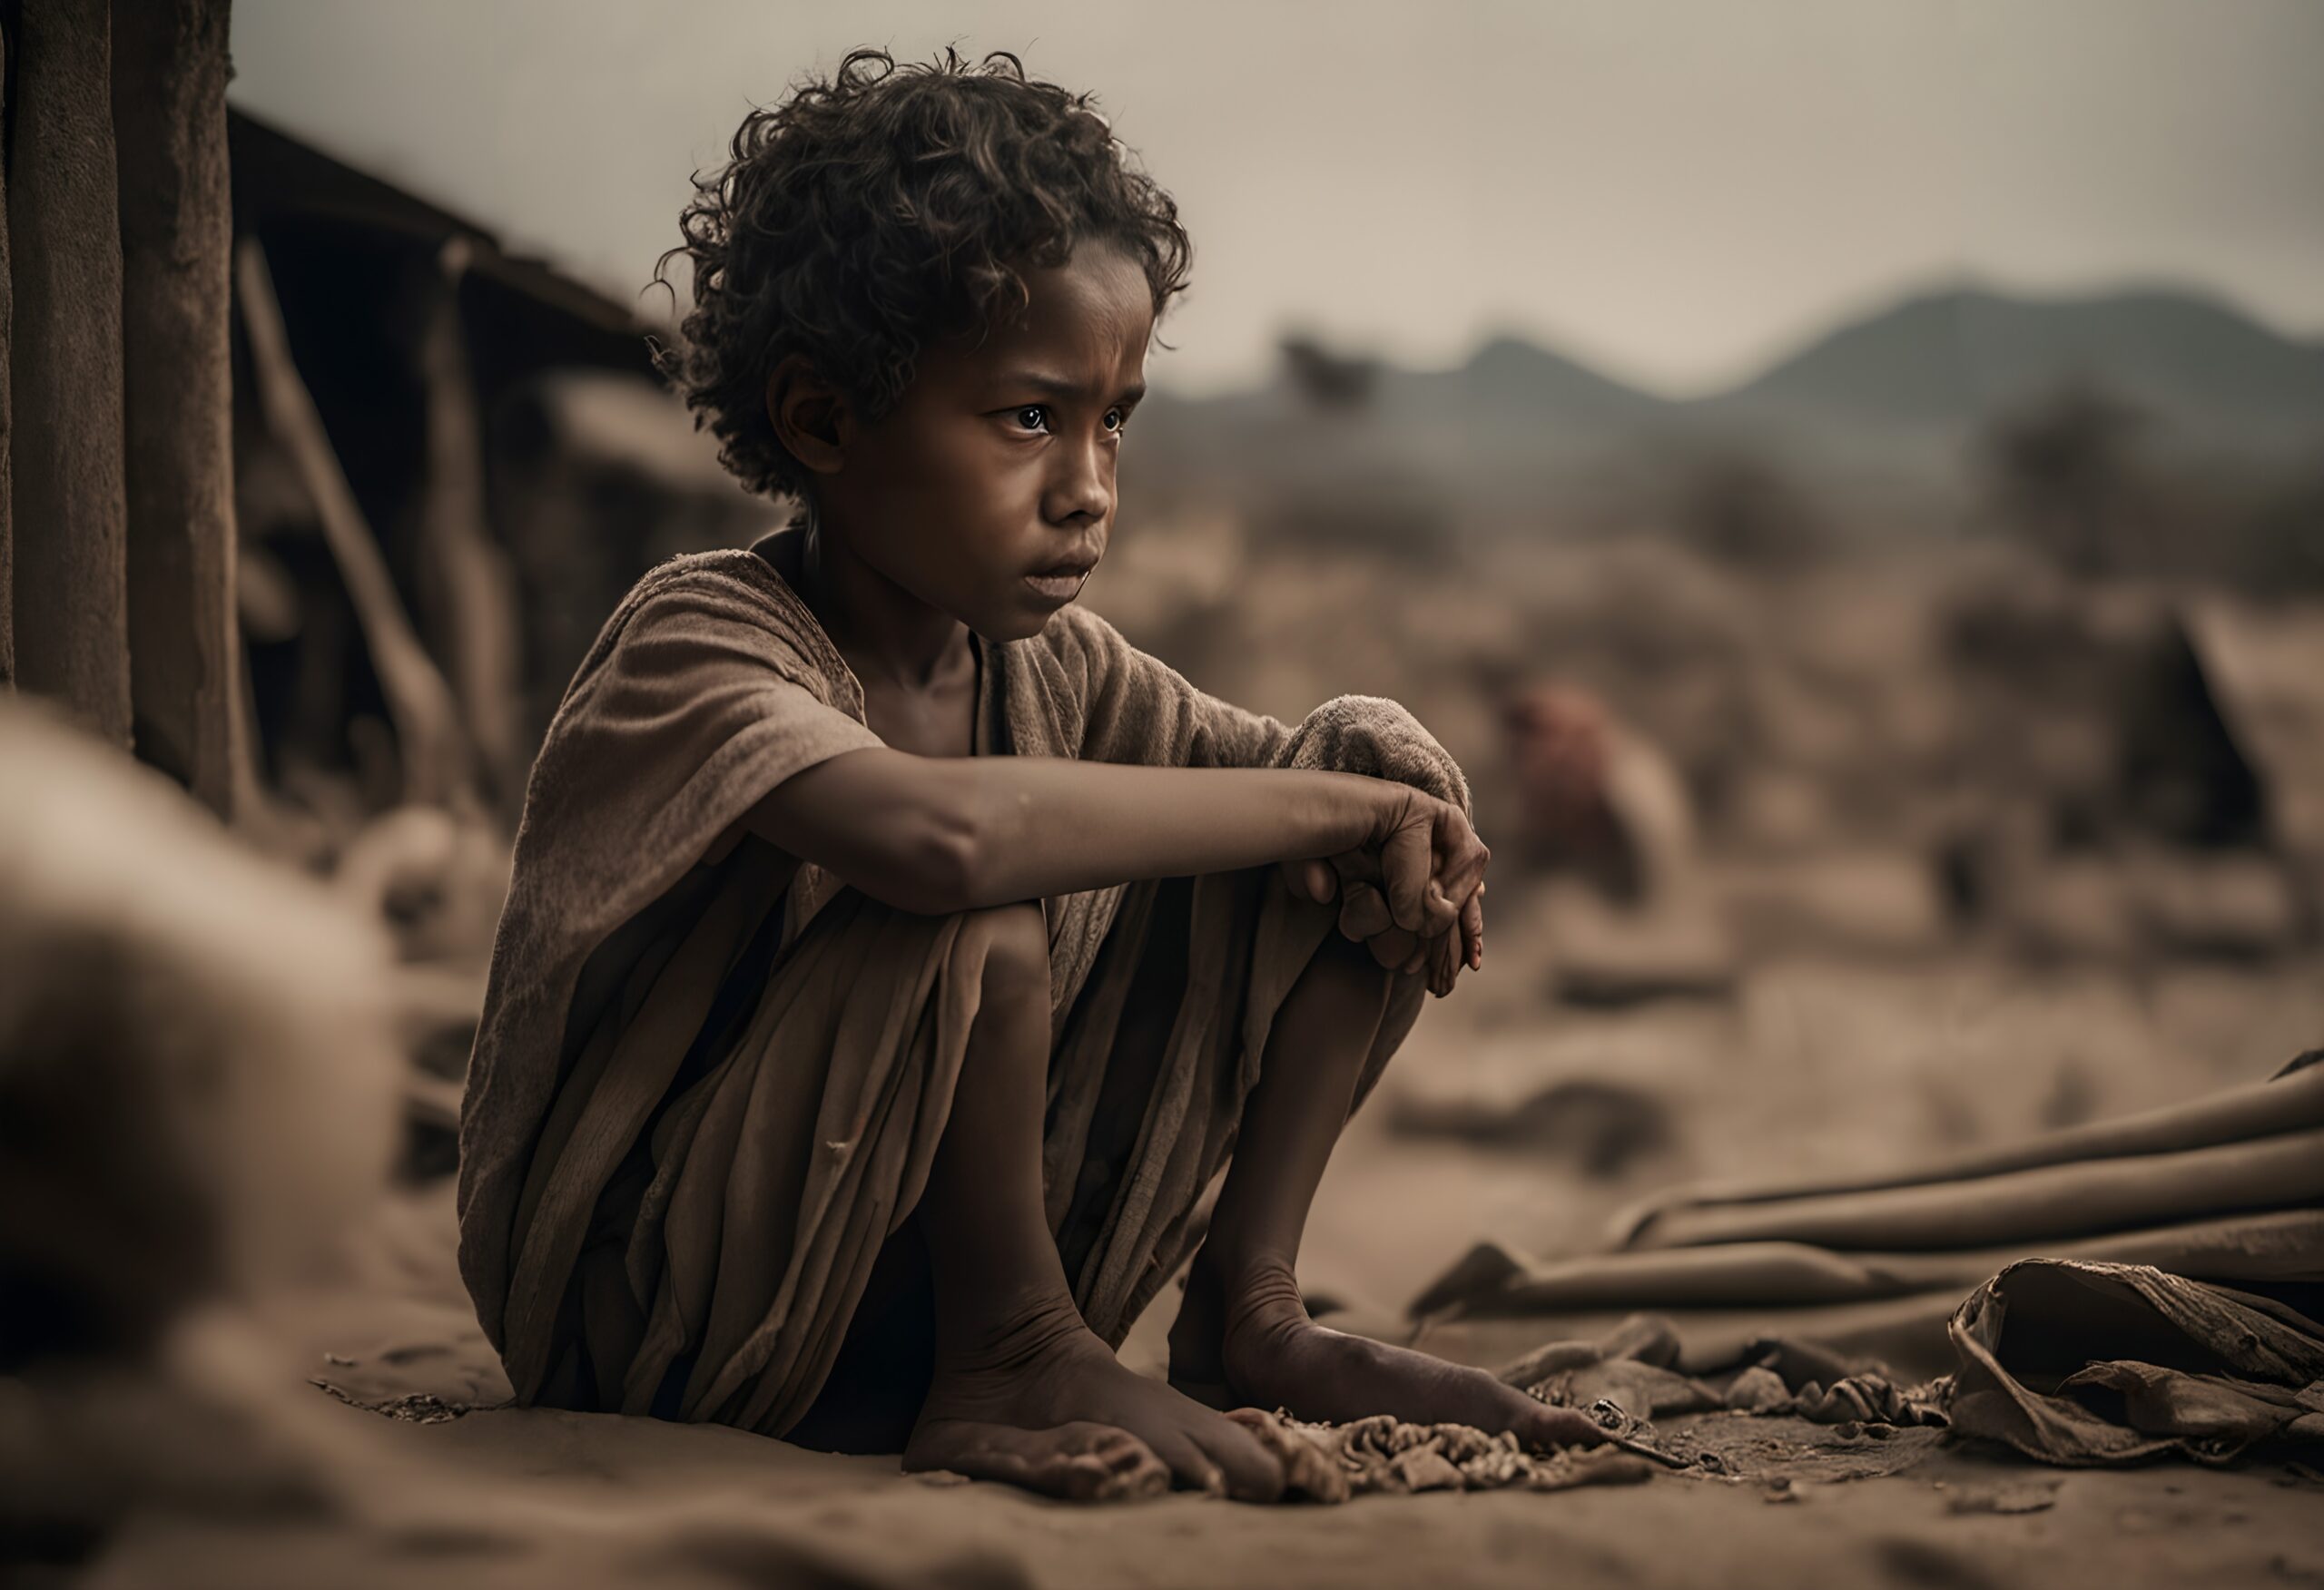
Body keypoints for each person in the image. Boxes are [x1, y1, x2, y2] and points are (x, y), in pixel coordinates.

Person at [455, 45, 1601, 1505]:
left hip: (860, 1306)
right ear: (823, 421)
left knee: (1357, 787)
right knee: (980, 910)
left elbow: (1307, 789)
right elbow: (945, 843)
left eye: (1113, 419)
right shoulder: (701, 644)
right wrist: (1333, 805)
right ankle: (1012, 1344)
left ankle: (1250, 1314)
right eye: (1027, 419)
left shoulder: (1054, 674)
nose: (1091, 487)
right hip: (650, 1314)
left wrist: (1386, 795)